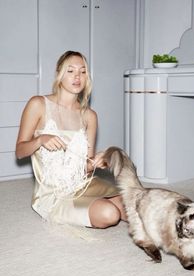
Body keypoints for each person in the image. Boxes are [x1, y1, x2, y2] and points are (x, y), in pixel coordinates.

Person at [16, 50, 126, 229]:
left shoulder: (90, 116)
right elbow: (19, 151)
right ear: (59, 73)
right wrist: (40, 140)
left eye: (83, 72)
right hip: (54, 195)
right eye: (71, 71)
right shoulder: (37, 104)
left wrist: (99, 162)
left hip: (83, 184)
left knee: (135, 206)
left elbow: (86, 169)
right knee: (110, 213)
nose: (78, 77)